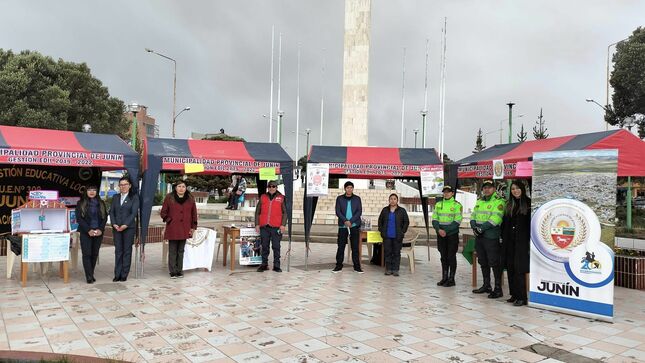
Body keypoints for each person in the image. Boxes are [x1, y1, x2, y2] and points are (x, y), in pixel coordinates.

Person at [470, 180, 506, 298]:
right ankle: (486, 285)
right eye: (485, 188)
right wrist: (474, 226)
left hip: (491, 237)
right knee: (483, 261)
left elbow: (496, 218)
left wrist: (481, 228)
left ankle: (497, 288)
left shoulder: (499, 202)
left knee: (494, 262)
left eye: (489, 188)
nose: (487, 190)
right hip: (479, 237)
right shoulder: (479, 201)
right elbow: (473, 215)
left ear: (494, 189)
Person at [501, 180, 531, 306]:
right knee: (511, 268)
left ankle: (522, 297)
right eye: (513, 189)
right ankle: (514, 294)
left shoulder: (528, 204)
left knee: (519, 269)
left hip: (522, 242)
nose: (515, 191)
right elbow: (504, 224)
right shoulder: (509, 205)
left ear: (522, 189)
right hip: (509, 242)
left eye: (517, 188)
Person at [160, 180, 198, 278]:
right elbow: (163, 212)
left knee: (181, 250)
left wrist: (193, 227)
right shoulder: (169, 197)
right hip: (173, 228)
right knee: (172, 250)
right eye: (179, 186)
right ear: (175, 187)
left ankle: (179, 270)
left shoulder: (190, 198)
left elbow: (194, 213)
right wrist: (169, 220)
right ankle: (173, 271)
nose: (181, 188)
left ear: (186, 188)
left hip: (185, 228)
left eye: (183, 186)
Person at [109, 176, 139, 282]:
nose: (123, 187)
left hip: (128, 228)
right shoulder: (115, 197)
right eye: (121, 185)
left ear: (130, 186)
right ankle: (117, 274)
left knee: (127, 251)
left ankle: (124, 274)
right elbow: (111, 212)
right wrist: (113, 224)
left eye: (125, 184)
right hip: (117, 228)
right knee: (118, 251)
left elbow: (133, 213)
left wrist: (126, 224)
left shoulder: (134, 197)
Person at [432, 185, 463, 287]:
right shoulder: (438, 204)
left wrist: (445, 230)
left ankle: (451, 279)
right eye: (444, 192)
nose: (446, 193)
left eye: (448, 192)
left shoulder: (457, 205)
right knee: (443, 257)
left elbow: (457, 221)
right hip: (441, 234)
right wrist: (438, 229)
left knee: (451, 256)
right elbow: (434, 219)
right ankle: (444, 277)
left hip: (452, 235)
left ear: (452, 193)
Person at [75, 185, 107, 284]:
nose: (92, 192)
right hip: (86, 232)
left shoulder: (101, 203)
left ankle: (91, 273)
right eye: (89, 190)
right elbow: (79, 218)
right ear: (86, 191)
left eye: (94, 190)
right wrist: (88, 230)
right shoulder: (80, 203)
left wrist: (100, 229)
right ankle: (88, 276)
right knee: (87, 254)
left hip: (98, 232)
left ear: (97, 191)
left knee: (94, 254)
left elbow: (105, 217)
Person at [255, 180, 287, 272]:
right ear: (268, 187)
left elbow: (285, 213)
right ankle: (264, 264)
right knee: (264, 246)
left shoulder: (282, 198)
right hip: (264, 226)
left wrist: (283, 225)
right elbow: (257, 212)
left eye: (273, 186)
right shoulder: (263, 197)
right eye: (270, 186)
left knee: (276, 246)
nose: (271, 188)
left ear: (276, 188)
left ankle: (276, 265)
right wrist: (257, 224)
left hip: (276, 226)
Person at [333, 181, 363, 273]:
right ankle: (338, 266)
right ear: (345, 188)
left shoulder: (357, 199)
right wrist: (345, 220)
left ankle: (357, 267)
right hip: (343, 226)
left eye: (351, 188)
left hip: (354, 225)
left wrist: (351, 221)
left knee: (355, 247)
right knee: (341, 246)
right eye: (348, 188)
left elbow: (359, 211)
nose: (349, 189)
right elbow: (338, 211)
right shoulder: (340, 198)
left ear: (353, 189)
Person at [377, 193, 409, 276]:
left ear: (397, 200)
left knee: (396, 253)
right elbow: (380, 221)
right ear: (389, 200)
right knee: (387, 252)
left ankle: (395, 269)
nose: (393, 200)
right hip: (387, 236)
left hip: (397, 236)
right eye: (391, 199)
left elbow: (406, 222)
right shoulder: (385, 210)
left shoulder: (402, 211)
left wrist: (402, 232)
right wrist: (381, 231)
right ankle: (388, 269)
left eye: (394, 199)